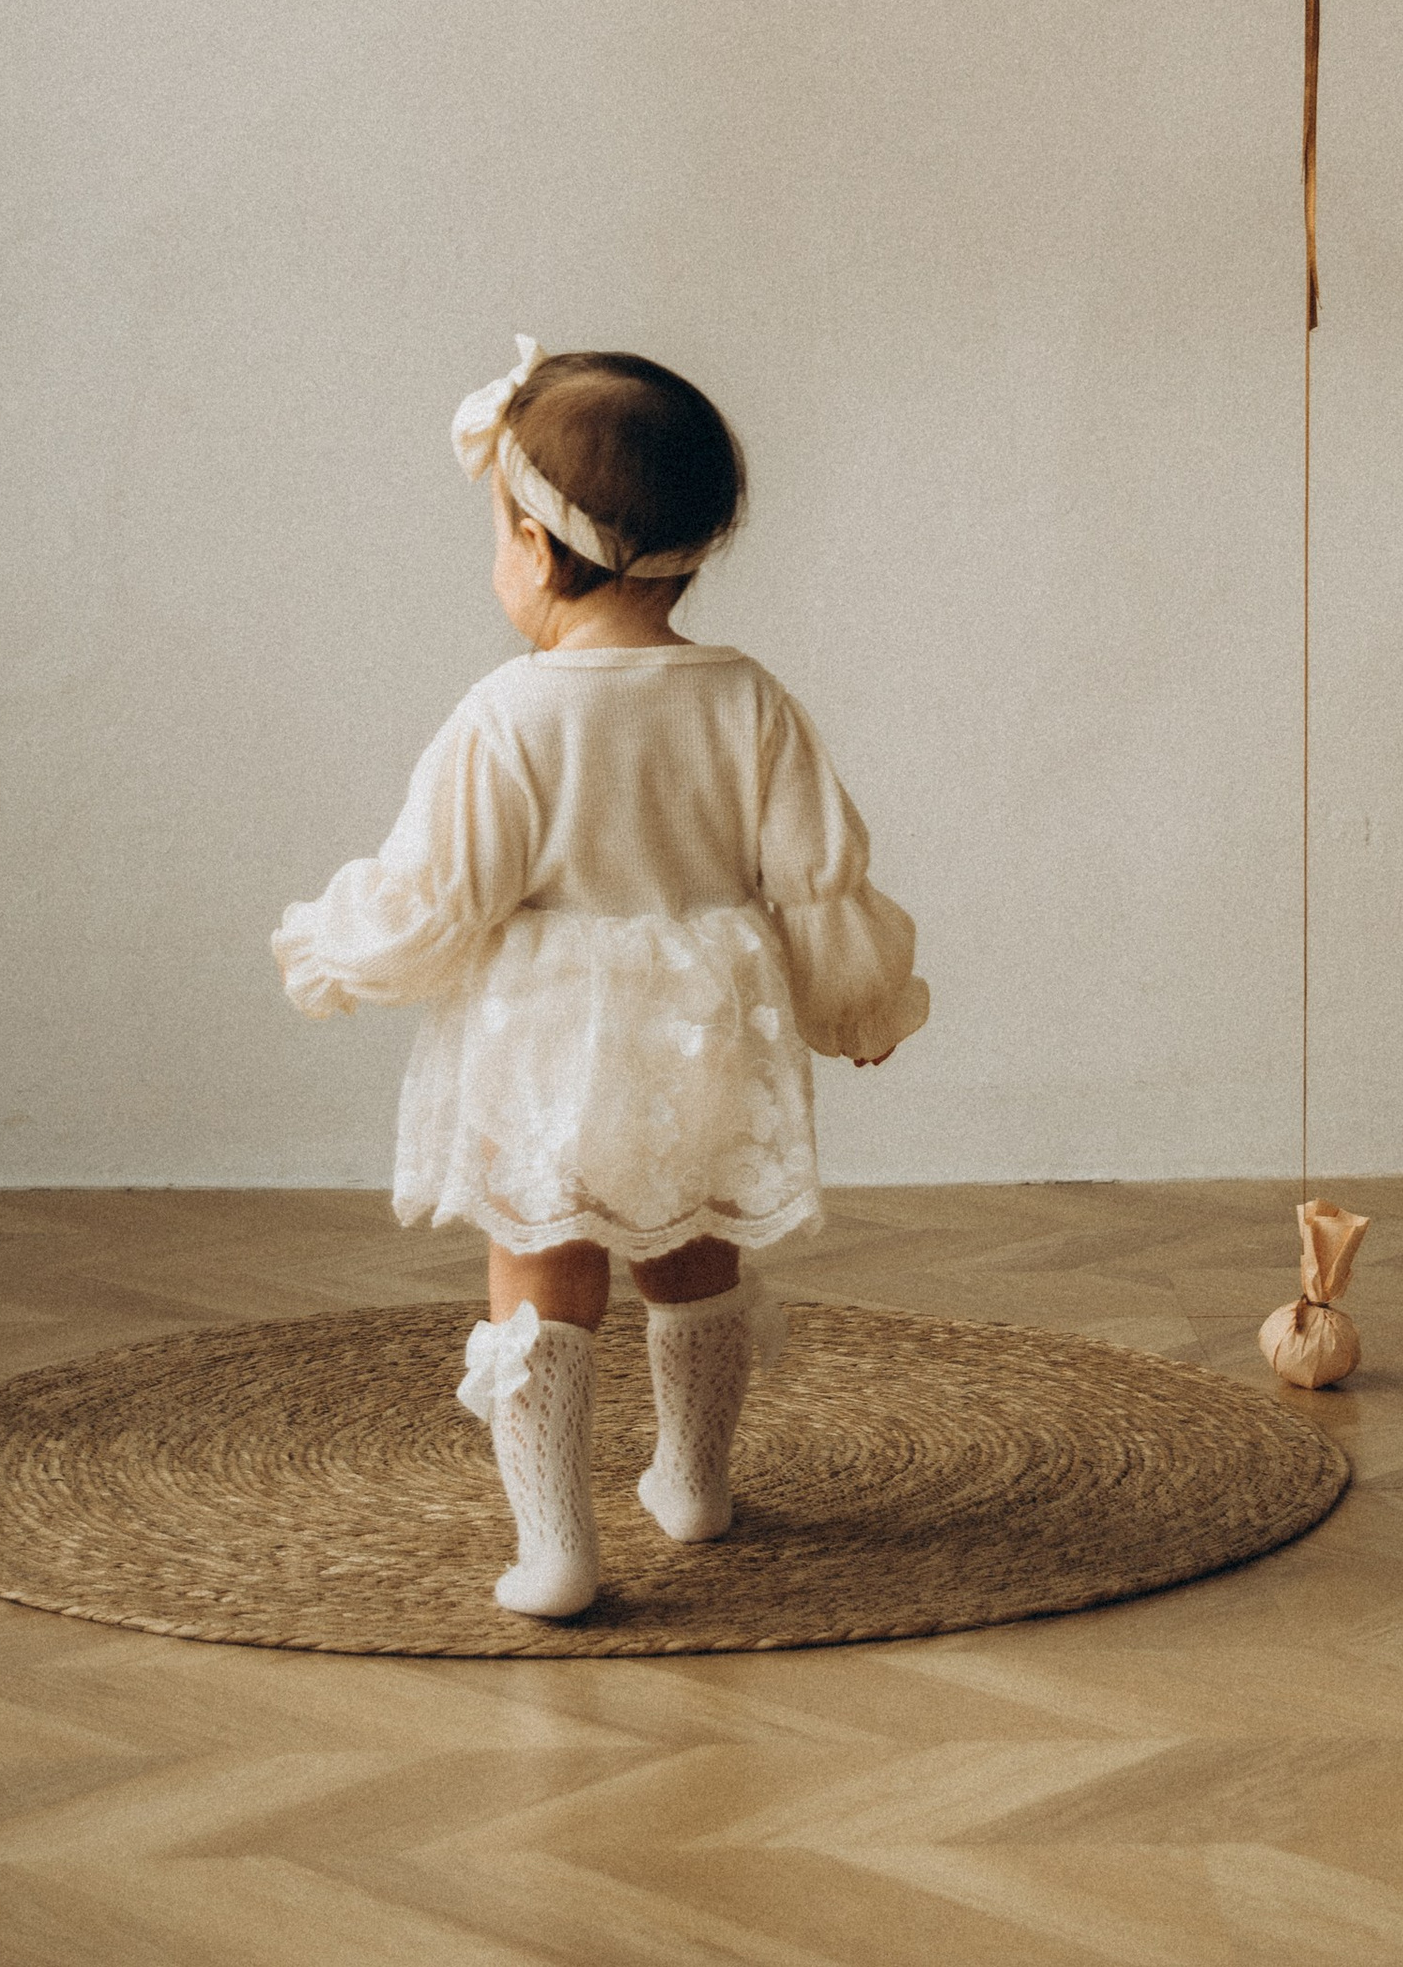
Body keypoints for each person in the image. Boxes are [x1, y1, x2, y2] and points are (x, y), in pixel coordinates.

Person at [272, 337, 929, 1618]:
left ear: (531, 542)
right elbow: (817, 879)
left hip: (546, 1041)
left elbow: (439, 895)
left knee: (541, 1267)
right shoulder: (748, 700)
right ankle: (693, 1482)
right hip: (703, 1037)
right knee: (693, 1252)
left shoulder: (507, 717)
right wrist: (856, 1002)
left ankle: (557, 1547)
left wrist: (331, 948)